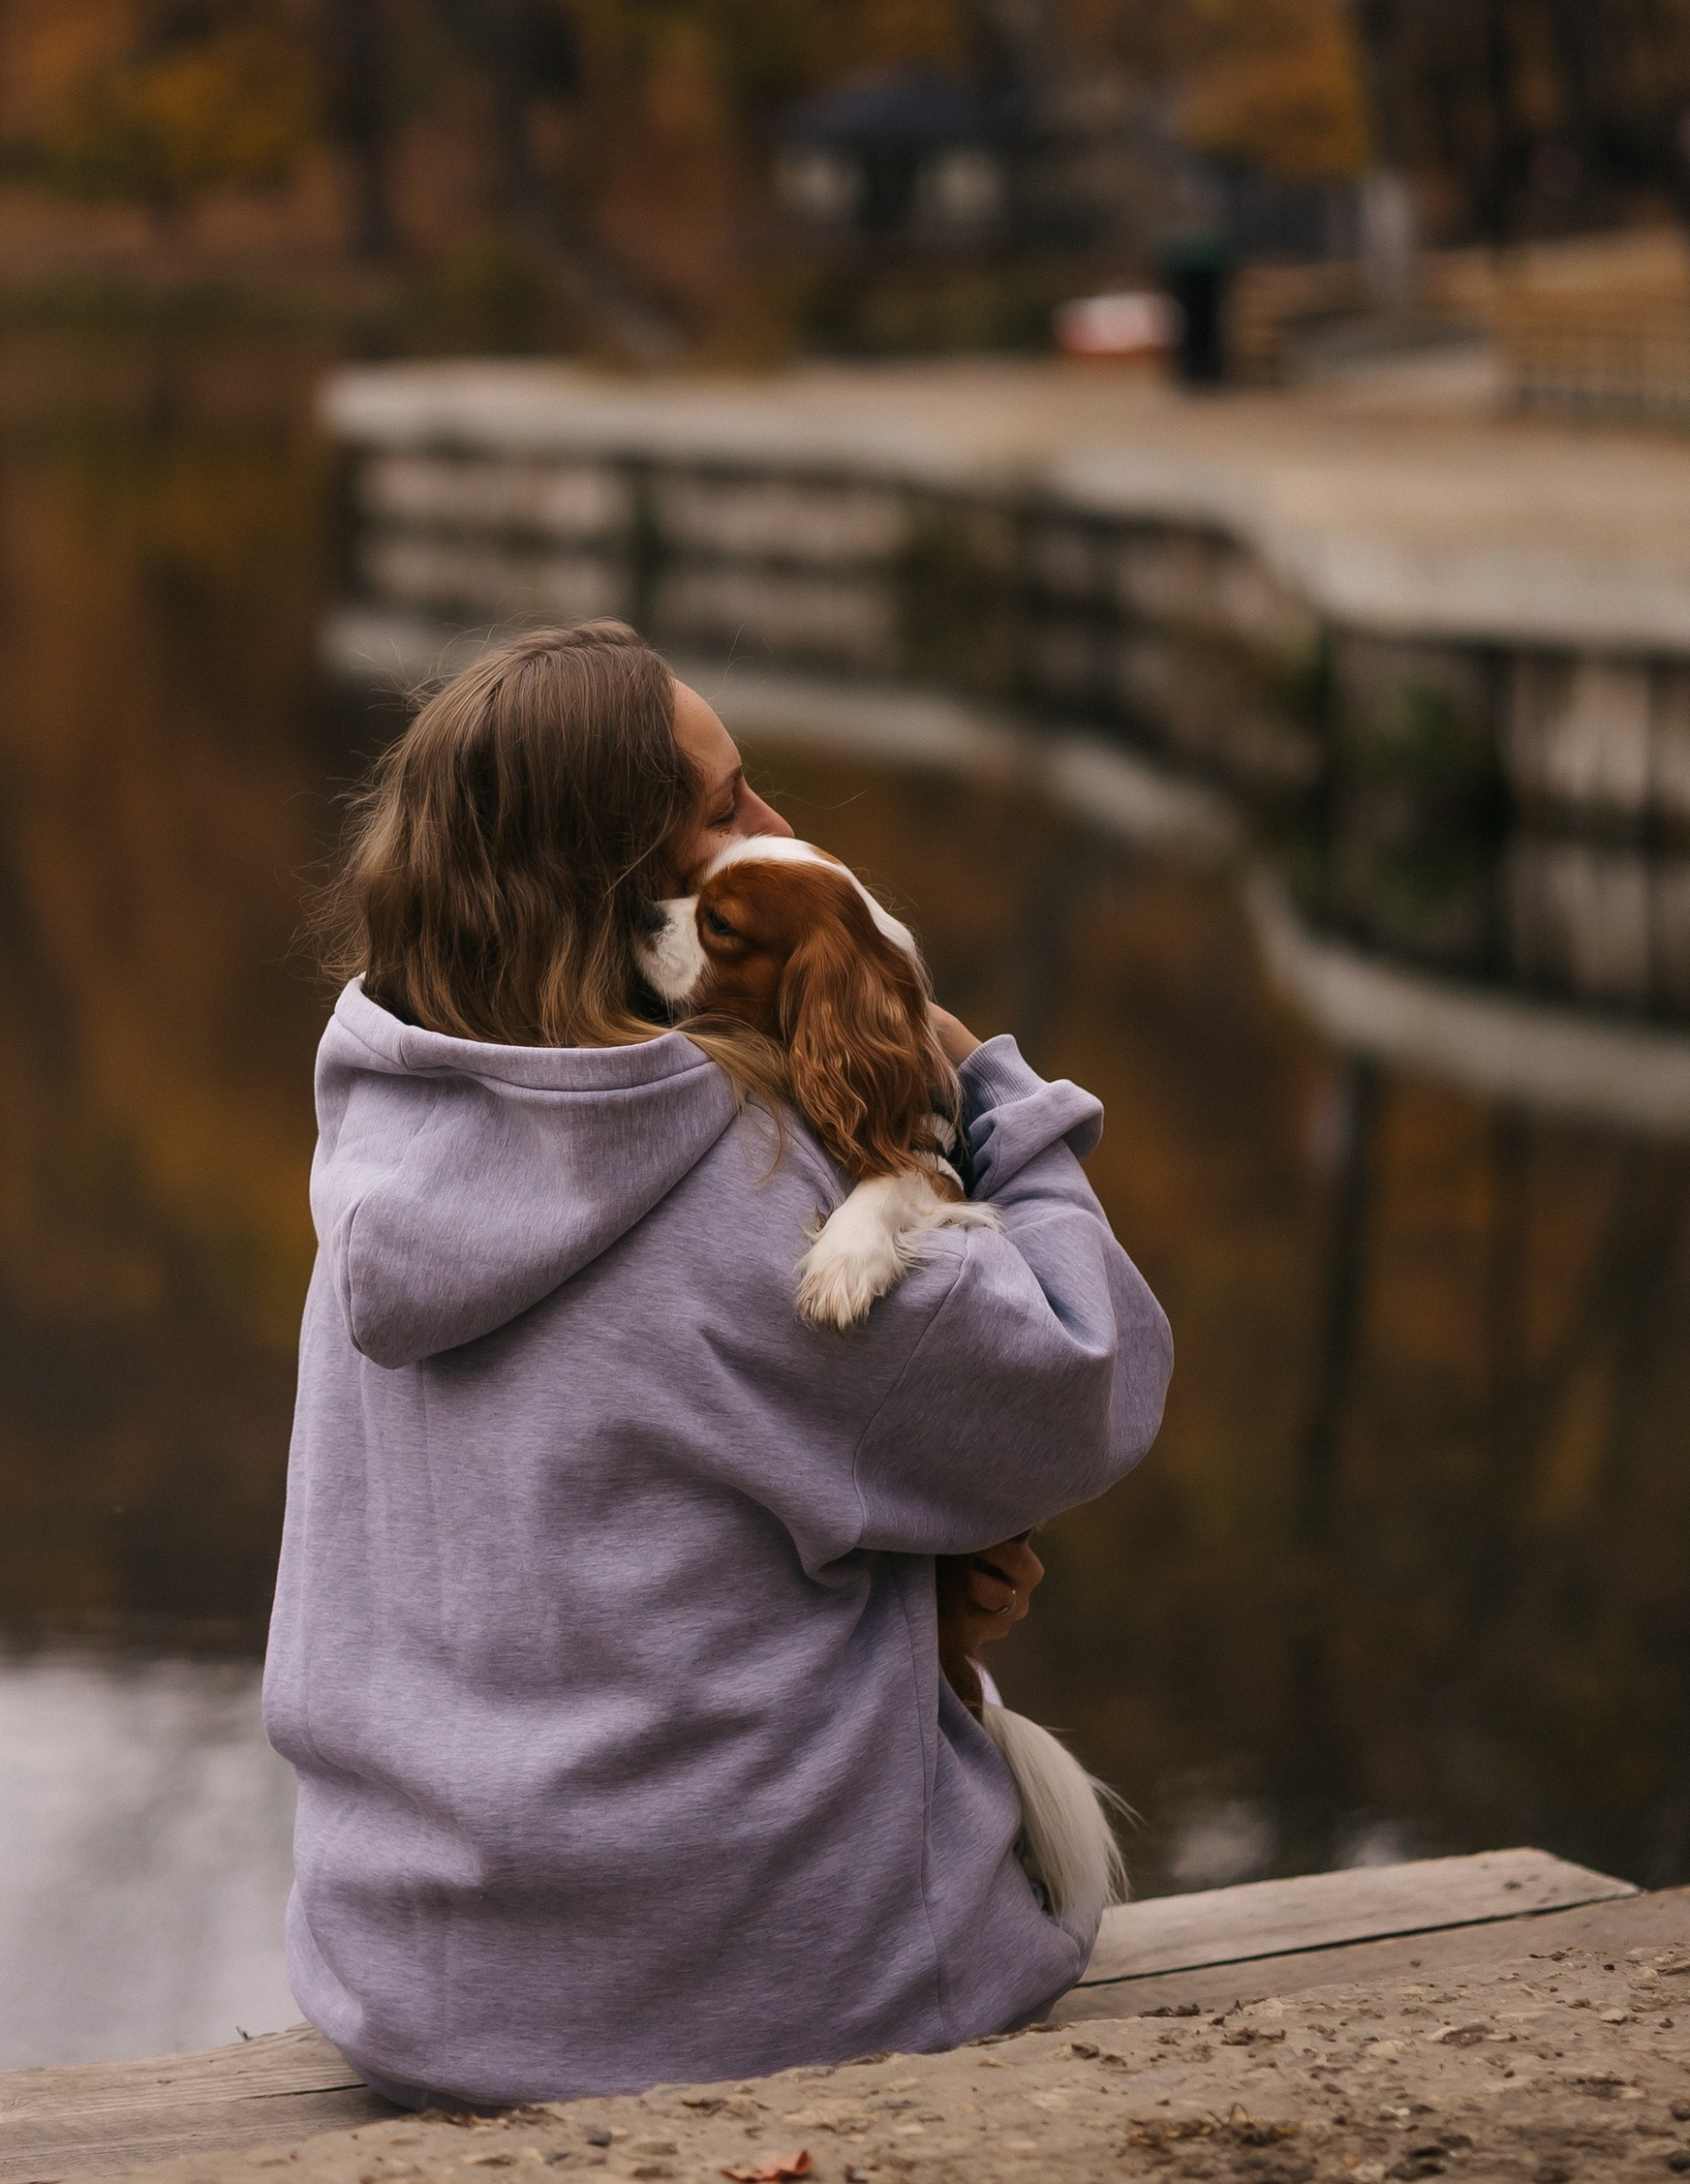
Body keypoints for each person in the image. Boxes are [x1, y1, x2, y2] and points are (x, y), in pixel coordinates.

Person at [263, 621, 1171, 2106]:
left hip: (411, 1981)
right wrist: (986, 1090)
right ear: (634, 894)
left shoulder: (386, 1132)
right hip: (747, 1990)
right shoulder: (748, 1181)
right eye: (732, 807)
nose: (783, 829)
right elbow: (1090, 1381)